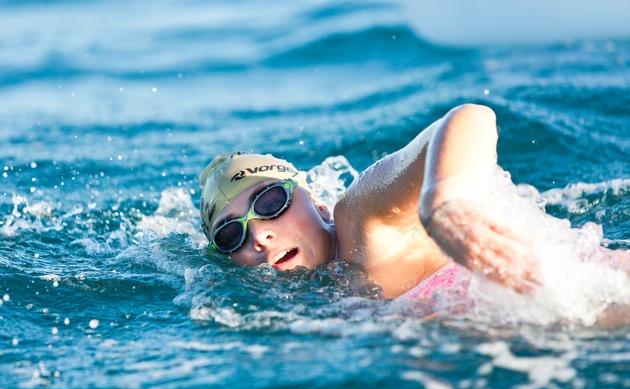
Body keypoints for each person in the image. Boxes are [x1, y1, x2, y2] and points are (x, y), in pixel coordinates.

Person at [199, 104, 628, 301]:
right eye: (232, 234)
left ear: (319, 205)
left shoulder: (359, 221)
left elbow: (469, 119)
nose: (258, 233)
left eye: (271, 201)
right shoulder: (305, 304)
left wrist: (443, 205)